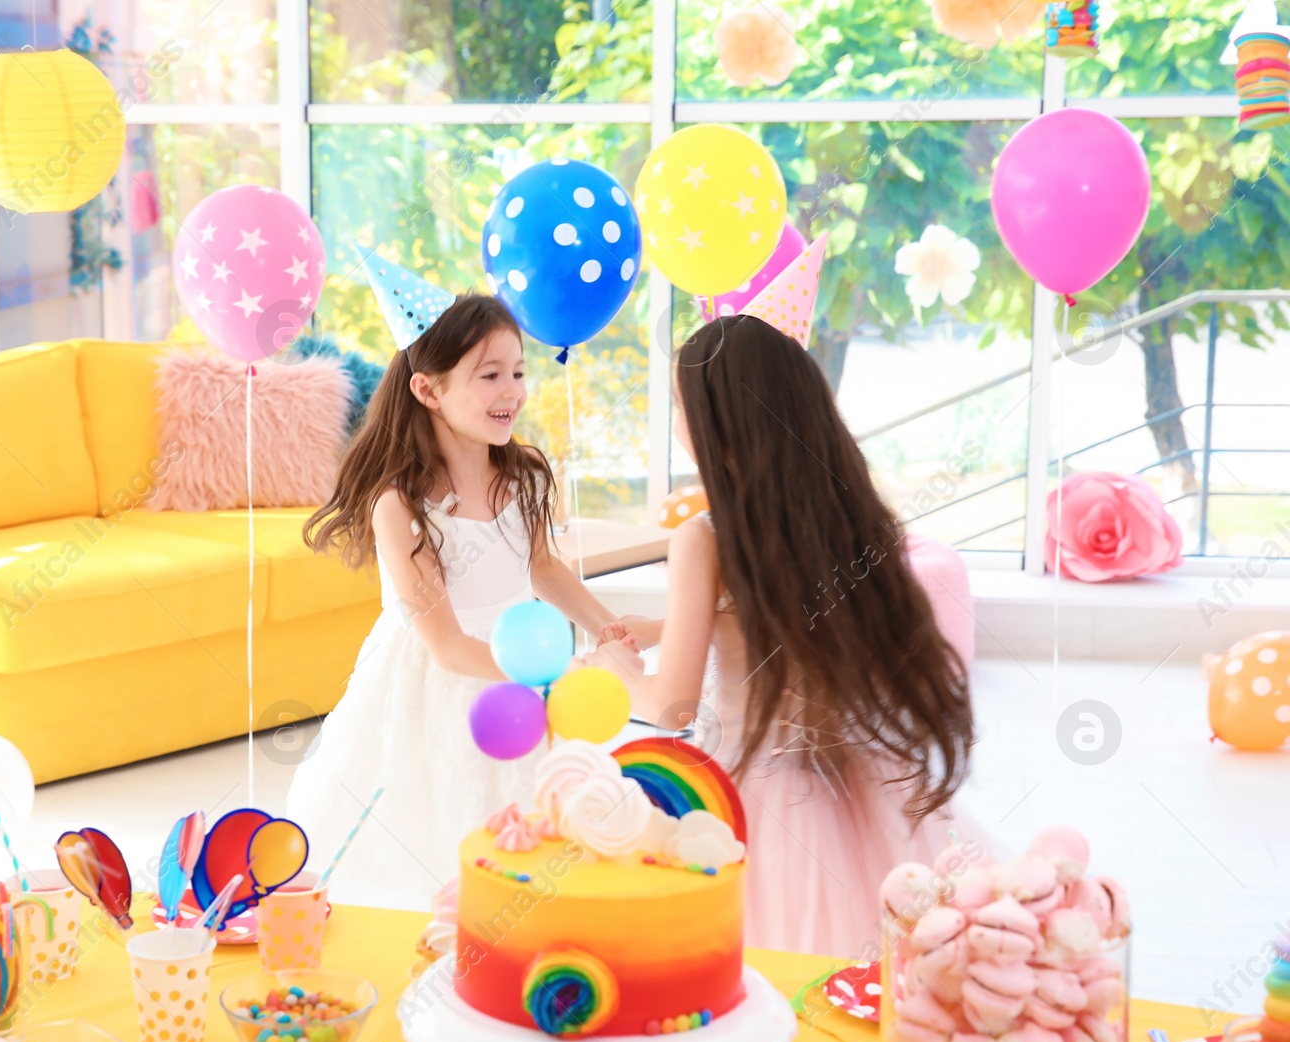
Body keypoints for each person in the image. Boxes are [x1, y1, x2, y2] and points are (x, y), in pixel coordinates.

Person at [591, 314, 977, 956]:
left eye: (681, 407)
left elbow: (674, 706)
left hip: (758, 798)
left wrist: (612, 670)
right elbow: (786, 613)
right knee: (873, 978)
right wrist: (670, 626)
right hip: (859, 777)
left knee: (761, 976)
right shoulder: (845, 516)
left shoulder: (703, 537)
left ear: (715, 422)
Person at [288, 293, 621, 907]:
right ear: (429, 390)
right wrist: (551, 673)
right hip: (442, 683)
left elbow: (541, 565)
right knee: (441, 839)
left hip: (524, 664)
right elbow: (444, 645)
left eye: (518, 372)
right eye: (489, 375)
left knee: (533, 834)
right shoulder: (400, 503)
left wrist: (608, 627)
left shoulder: (526, 477)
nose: (512, 391)